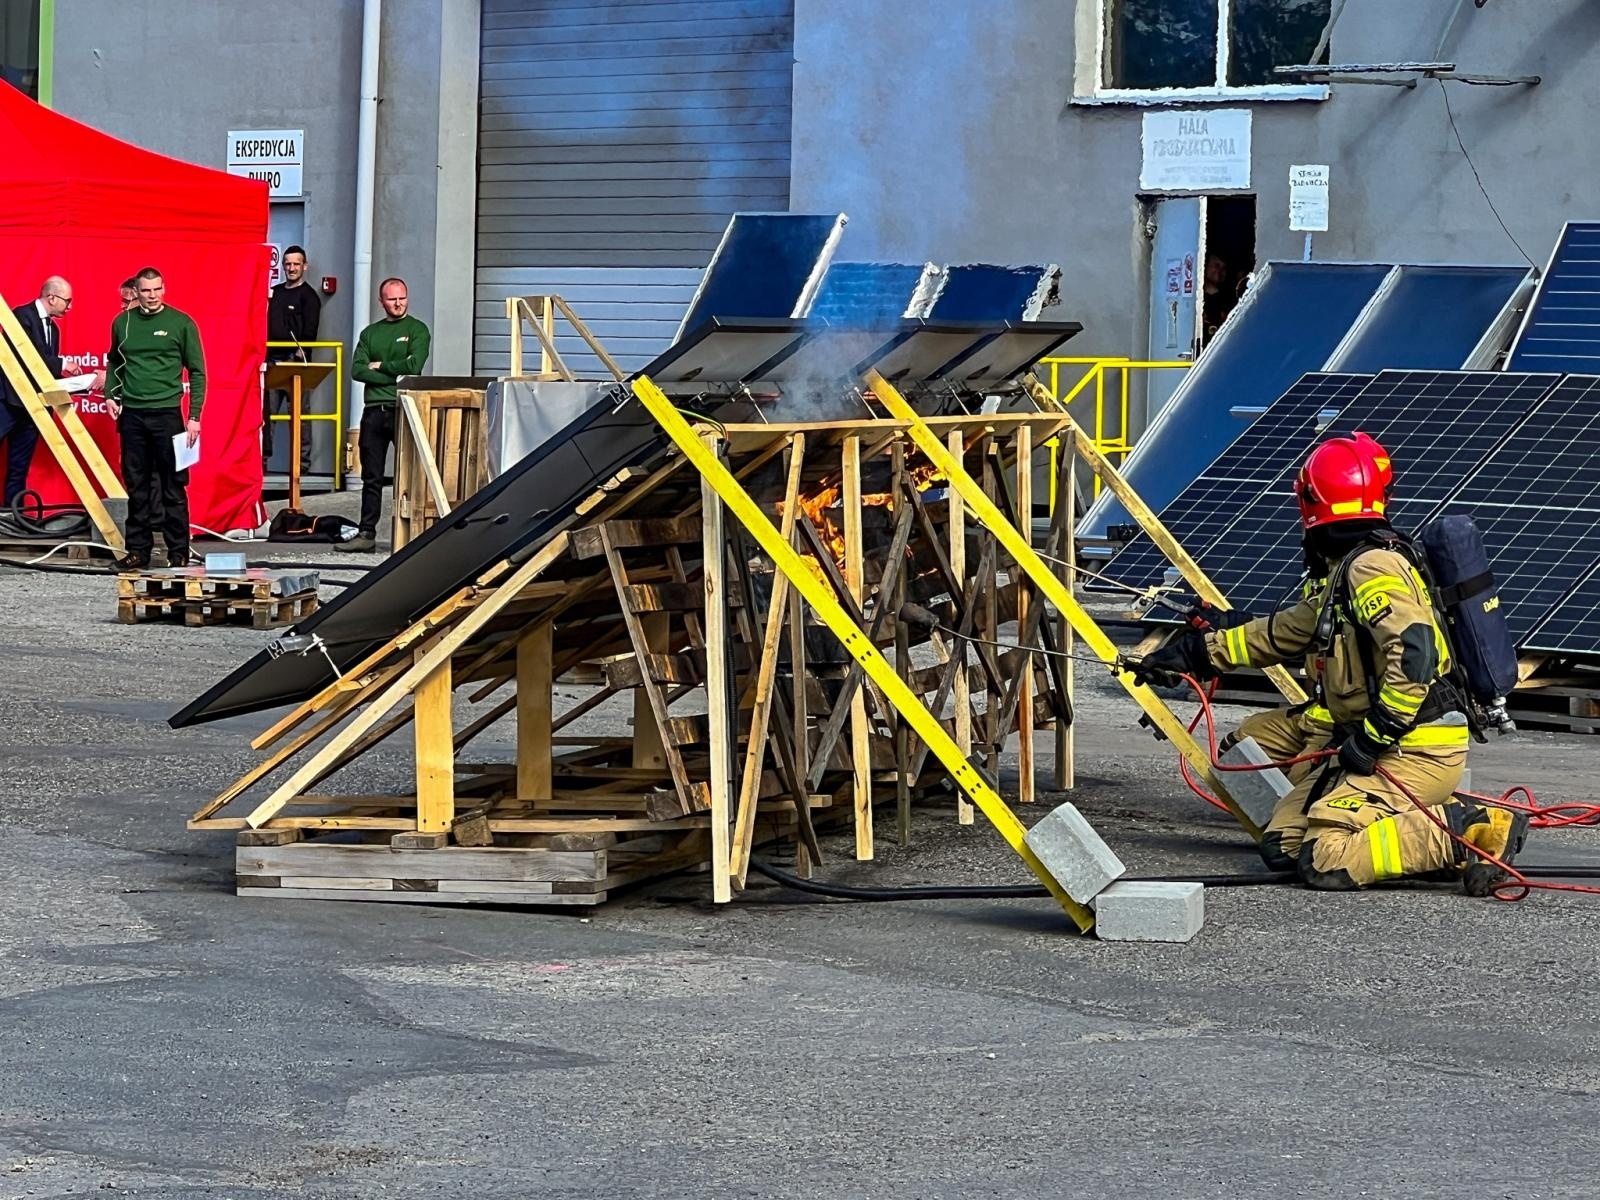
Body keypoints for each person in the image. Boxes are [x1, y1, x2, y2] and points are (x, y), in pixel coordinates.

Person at [1132, 432, 1529, 895]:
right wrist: (1195, 653)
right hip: (1388, 744)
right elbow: (1283, 632)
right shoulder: (1348, 569)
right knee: (1281, 847)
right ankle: (1417, 833)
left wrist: (1375, 734)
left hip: (1412, 748)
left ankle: (1472, 829)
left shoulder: (1370, 568)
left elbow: (1415, 652)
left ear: (1311, 503)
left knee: (1324, 858)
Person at [104, 267, 206, 570]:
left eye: (157, 289)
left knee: (173, 484)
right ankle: (138, 551)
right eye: (146, 291)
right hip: (133, 415)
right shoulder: (122, 323)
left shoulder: (181, 323)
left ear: (164, 289)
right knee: (137, 484)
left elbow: (198, 371)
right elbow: (114, 362)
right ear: (136, 292)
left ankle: (178, 551)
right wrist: (111, 393)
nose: (152, 296)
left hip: (167, 414)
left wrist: (195, 416)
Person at [341, 277, 429, 552]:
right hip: (374, 413)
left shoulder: (417, 329)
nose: (398, 303)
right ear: (382, 302)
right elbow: (357, 370)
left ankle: (414, 534)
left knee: (411, 474)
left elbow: (414, 367)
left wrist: (380, 366)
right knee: (372, 476)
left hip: (405, 409)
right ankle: (366, 533)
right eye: (392, 299)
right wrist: (393, 372)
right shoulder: (370, 334)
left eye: (402, 297)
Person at [0, 277, 80, 508]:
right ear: (52, 298)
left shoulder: (53, 329)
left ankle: (13, 517)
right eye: (68, 301)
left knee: (19, 466)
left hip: (34, 409)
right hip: (8, 403)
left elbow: (45, 372)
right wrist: (63, 364)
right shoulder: (21, 316)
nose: (70, 306)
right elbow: (26, 358)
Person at [264, 245, 322, 474]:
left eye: (296, 264)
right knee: (266, 416)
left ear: (304, 266)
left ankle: (302, 465)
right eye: (287, 264)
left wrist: (302, 351)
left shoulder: (309, 296)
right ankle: (262, 463)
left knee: (300, 416)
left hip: (296, 364)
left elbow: (311, 330)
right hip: (272, 362)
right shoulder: (275, 293)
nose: (291, 268)